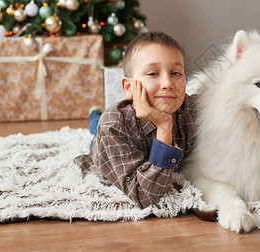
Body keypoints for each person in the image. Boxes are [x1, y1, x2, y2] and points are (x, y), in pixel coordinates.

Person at [74, 31, 196, 209]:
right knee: (96, 129)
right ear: (129, 87)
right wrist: (163, 127)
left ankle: (95, 115)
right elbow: (145, 196)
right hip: (107, 148)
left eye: (176, 73)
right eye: (153, 73)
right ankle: (94, 115)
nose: (167, 83)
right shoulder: (114, 125)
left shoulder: (189, 108)